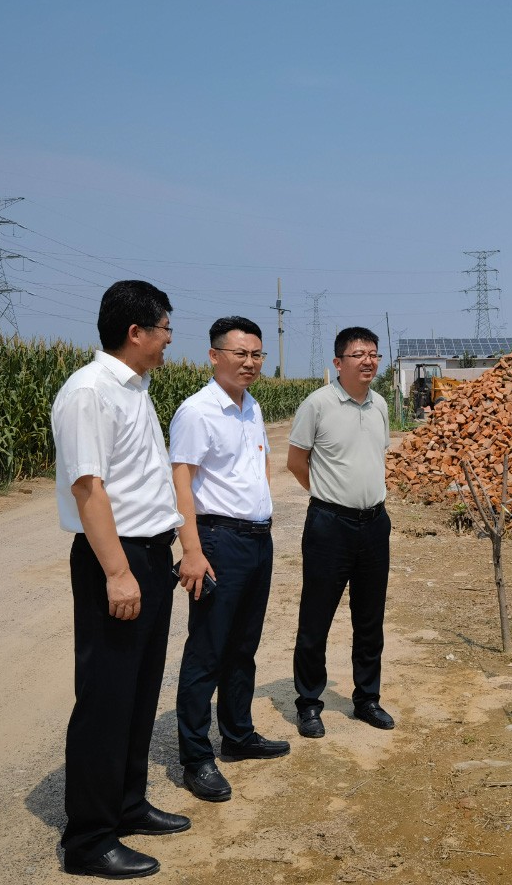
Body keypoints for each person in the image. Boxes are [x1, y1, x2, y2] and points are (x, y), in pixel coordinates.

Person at [51, 280, 187, 880]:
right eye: (165, 329)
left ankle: (128, 804)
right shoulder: (90, 392)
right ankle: (89, 838)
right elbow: (89, 489)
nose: (169, 340)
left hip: (150, 555)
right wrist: (117, 572)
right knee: (106, 699)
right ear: (136, 332)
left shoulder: (136, 388)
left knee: (138, 691)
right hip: (118, 559)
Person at [170, 316, 289, 803]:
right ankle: (196, 757)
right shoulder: (198, 412)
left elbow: (257, 465)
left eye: (257, 354)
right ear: (214, 356)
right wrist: (192, 551)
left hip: (257, 540)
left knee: (243, 644)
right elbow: (180, 481)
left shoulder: (251, 405)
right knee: (208, 649)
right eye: (240, 353)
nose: (250, 362)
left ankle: (238, 735)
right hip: (218, 540)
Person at [287, 326, 394, 738]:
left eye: (373, 354)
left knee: (370, 619)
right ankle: (309, 703)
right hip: (330, 525)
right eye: (358, 354)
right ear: (338, 362)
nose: (368, 361)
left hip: (374, 524)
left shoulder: (380, 404)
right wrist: (326, 495)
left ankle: (367, 699)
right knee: (316, 618)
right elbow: (296, 462)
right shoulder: (318, 404)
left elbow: (375, 457)